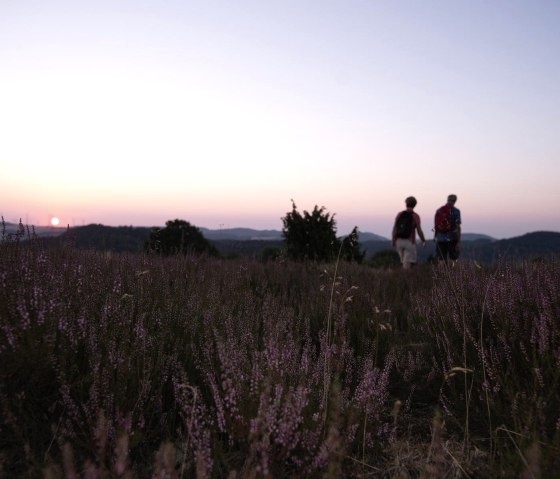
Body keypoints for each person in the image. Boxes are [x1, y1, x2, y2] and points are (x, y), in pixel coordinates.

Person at [392, 196, 427, 269]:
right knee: (408, 265)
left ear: (406, 204)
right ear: (415, 205)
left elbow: (395, 228)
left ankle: (402, 278)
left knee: (404, 263)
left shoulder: (400, 214)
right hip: (409, 242)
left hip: (399, 241)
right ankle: (405, 279)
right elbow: (419, 230)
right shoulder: (415, 216)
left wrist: (393, 240)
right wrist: (423, 240)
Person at [434, 194, 462, 262]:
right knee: (453, 259)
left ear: (447, 200)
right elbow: (458, 227)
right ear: (455, 201)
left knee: (441, 260)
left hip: (440, 238)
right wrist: (458, 241)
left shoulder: (439, 210)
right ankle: (453, 272)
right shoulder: (456, 211)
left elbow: (436, 225)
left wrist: (435, 236)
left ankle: (441, 272)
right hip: (452, 238)